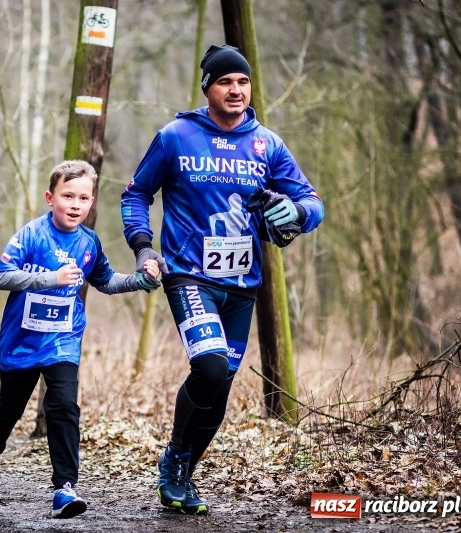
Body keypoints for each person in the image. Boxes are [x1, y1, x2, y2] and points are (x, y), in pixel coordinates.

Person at [120, 45, 324, 515]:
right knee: (209, 366)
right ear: (208, 87)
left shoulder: (266, 144)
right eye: (225, 82)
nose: (236, 90)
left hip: (241, 284)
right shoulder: (176, 136)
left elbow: (313, 201)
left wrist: (295, 211)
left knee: (221, 384)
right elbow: (136, 195)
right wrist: (144, 246)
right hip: (187, 274)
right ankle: (174, 457)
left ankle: (182, 475)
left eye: (243, 82)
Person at [0, 160, 161, 518]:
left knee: (63, 407)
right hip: (22, 340)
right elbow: (1, 277)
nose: (75, 204)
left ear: (92, 202)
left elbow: (105, 281)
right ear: (50, 197)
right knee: (10, 407)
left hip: (63, 339)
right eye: (68, 196)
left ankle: (64, 488)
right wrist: (50, 279)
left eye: (84, 198)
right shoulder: (31, 235)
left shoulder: (89, 242)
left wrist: (142, 280)